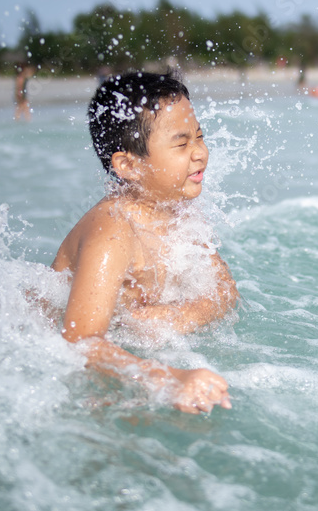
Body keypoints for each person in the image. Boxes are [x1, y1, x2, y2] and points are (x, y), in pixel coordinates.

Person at [50, 71, 237, 414]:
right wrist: (168, 379)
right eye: (181, 144)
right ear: (128, 165)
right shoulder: (113, 231)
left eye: (200, 137)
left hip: (122, 353)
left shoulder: (179, 212)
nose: (200, 154)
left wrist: (177, 316)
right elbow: (79, 340)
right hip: (56, 377)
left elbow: (225, 289)